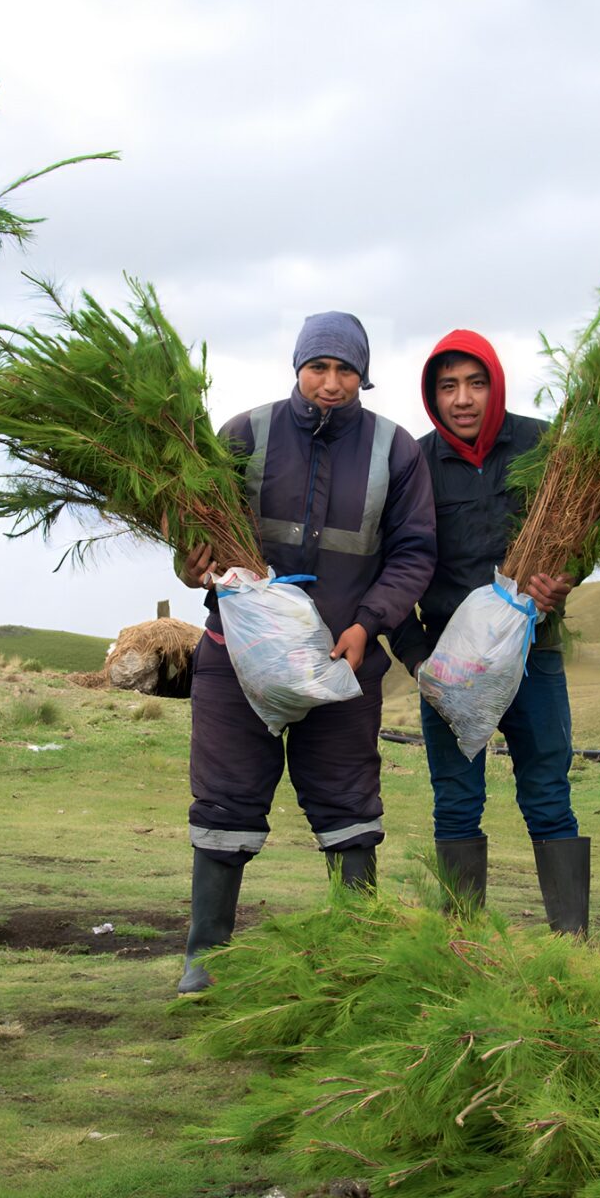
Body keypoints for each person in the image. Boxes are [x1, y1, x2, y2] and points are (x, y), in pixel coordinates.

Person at [171, 312, 437, 994]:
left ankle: (355, 956)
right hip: (237, 659)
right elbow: (195, 536)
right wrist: (192, 565)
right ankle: (207, 959)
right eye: (319, 367)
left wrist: (369, 623)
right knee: (225, 800)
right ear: (298, 368)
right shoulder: (243, 434)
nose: (331, 381)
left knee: (349, 805)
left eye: (346, 370)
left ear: (363, 377)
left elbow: (413, 553)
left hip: (341, 661)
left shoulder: (395, 449)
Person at [386, 331, 588, 931]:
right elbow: (393, 570)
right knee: (456, 801)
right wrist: (418, 660)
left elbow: (580, 535)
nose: (463, 399)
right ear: (432, 395)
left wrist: (567, 577)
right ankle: (461, 944)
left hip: (535, 655)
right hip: (450, 666)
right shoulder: (413, 464)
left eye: (476, 383)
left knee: (549, 794)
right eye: (448, 386)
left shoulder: (540, 445)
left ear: (495, 385)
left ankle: (569, 950)